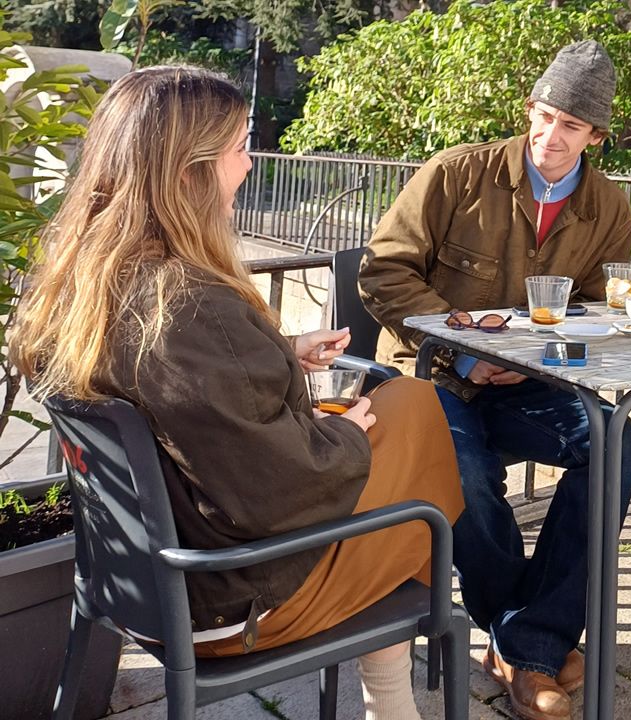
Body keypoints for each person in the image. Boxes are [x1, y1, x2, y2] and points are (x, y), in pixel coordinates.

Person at [13, 66, 464, 720]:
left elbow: (167, 389)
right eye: (239, 147)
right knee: (411, 412)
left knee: (402, 445)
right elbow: (284, 489)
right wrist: (347, 432)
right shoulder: (191, 306)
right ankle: (393, 697)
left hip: (126, 577)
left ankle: (390, 691)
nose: (250, 165)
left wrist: (280, 355)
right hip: (225, 601)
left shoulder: (78, 284)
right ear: (188, 172)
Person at [358, 40, 631, 720]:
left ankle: (524, 636)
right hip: (431, 376)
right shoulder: (455, 174)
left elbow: (601, 311)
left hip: (531, 384)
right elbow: (383, 272)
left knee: (617, 444)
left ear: (595, 136)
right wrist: (460, 352)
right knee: (465, 467)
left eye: (570, 125)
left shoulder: (609, 207)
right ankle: (530, 647)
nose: (550, 135)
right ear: (529, 111)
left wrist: (609, 326)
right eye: (542, 116)